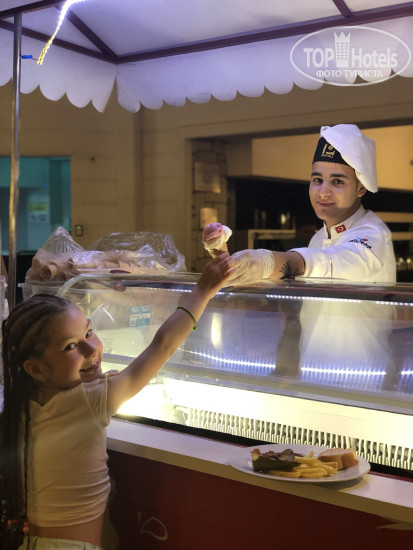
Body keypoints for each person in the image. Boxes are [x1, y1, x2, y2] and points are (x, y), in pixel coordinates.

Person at [0, 252, 235, 550]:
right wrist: (203, 290)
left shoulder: (20, 406)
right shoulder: (89, 402)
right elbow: (163, 345)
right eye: (70, 346)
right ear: (36, 369)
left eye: (89, 332)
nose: (90, 349)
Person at [203, 124, 396, 284]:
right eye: (318, 180)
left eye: (337, 181)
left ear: (360, 188)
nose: (323, 192)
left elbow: (331, 261)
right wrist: (227, 261)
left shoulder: (373, 234)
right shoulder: (318, 238)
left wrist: (265, 261)